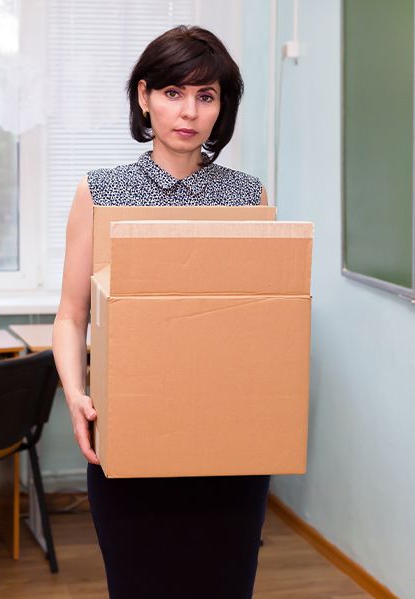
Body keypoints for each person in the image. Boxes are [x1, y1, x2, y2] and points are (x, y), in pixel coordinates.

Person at [52, 25, 270, 599]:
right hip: (130, 433)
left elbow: (258, 323)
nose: (189, 111)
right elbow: (71, 317)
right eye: (173, 93)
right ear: (145, 96)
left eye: (206, 96)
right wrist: (77, 396)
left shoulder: (247, 197)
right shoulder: (101, 193)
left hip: (227, 441)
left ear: (221, 109)